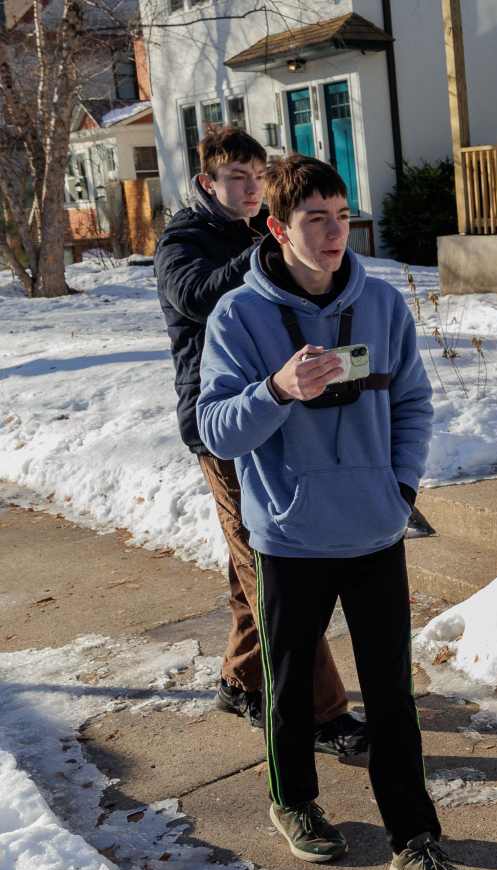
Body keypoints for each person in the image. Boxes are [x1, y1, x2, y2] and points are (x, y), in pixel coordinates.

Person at [196, 154, 477, 870]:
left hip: (375, 530)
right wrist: (277, 389)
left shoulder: (382, 306)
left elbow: (413, 401)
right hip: (289, 539)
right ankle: (293, 798)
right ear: (278, 227)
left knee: (393, 698)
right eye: (314, 218)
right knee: (290, 691)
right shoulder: (240, 316)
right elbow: (216, 428)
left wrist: (401, 487)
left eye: (341, 214)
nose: (332, 232)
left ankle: (415, 841)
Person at [155, 127, 367, 760]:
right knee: (267, 564)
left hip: (283, 418)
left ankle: (240, 677)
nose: (250, 190)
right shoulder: (184, 241)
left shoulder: (257, 235)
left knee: (247, 560)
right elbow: (190, 296)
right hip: (221, 424)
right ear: (206, 184)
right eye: (236, 179)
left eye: (257, 177)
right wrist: (267, 251)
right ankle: (324, 712)